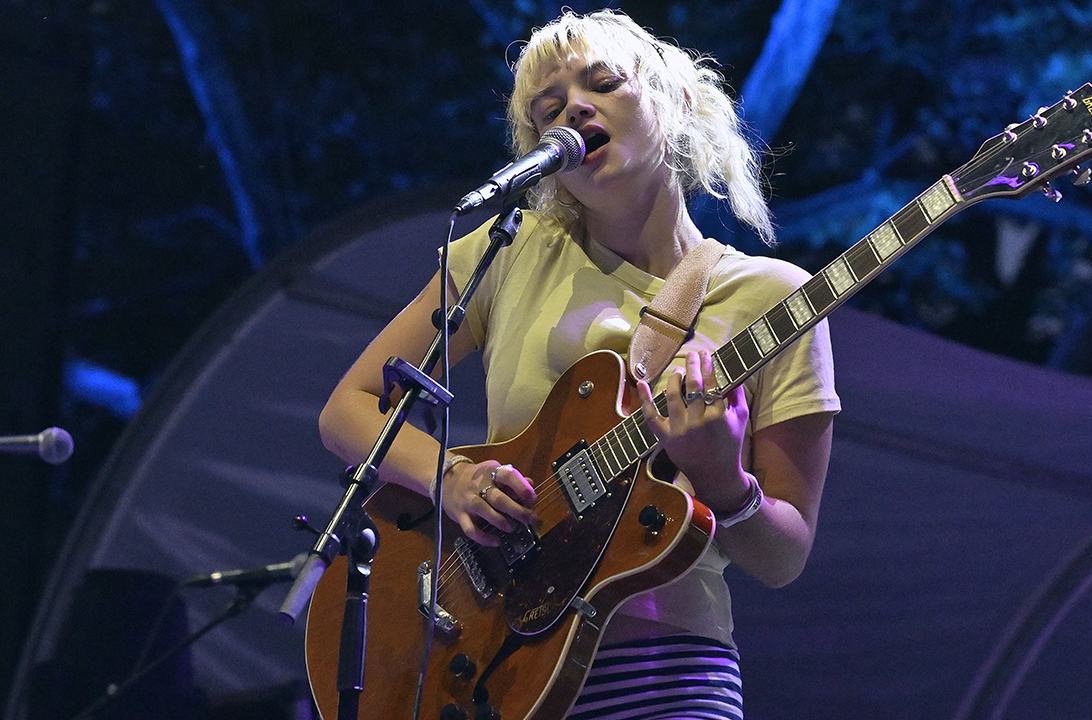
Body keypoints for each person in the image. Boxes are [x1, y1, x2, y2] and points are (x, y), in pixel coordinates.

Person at [319, 9, 839, 718]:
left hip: (666, 676)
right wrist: (453, 479)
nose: (574, 109)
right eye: (548, 108)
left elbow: (784, 559)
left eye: (602, 83)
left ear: (674, 101)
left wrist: (723, 478)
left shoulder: (774, 298)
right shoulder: (503, 255)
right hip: (493, 670)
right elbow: (349, 407)